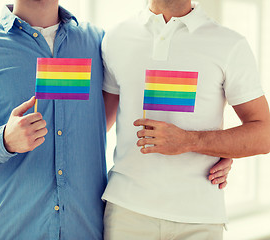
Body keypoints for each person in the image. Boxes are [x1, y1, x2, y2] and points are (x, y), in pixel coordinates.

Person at [0, 0, 231, 239]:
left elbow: (146, 102)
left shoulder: (97, 43)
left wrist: (211, 149)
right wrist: (3, 141)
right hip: (12, 228)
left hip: (87, 229)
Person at [102, 0, 270, 239]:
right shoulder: (116, 37)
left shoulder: (229, 43)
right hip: (127, 213)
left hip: (199, 220)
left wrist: (191, 141)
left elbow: (264, 135)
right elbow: (96, 126)